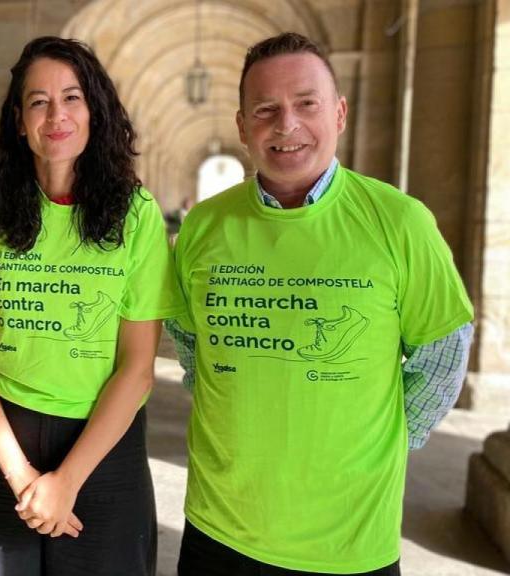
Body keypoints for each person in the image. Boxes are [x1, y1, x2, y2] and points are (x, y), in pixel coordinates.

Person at [166, 32, 474, 575]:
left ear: (339, 113)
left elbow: (443, 353)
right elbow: (191, 339)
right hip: (217, 530)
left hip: (349, 544)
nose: (286, 125)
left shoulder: (400, 223)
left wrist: (378, 446)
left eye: (306, 104)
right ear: (242, 127)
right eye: (265, 109)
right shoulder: (204, 227)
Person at [0, 36, 186, 576]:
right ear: (19, 120)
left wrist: (66, 481)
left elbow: (138, 368)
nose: (57, 115)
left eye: (72, 98)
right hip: (4, 449)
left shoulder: (135, 215)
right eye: (38, 101)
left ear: (95, 111)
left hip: (103, 450)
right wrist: (23, 479)